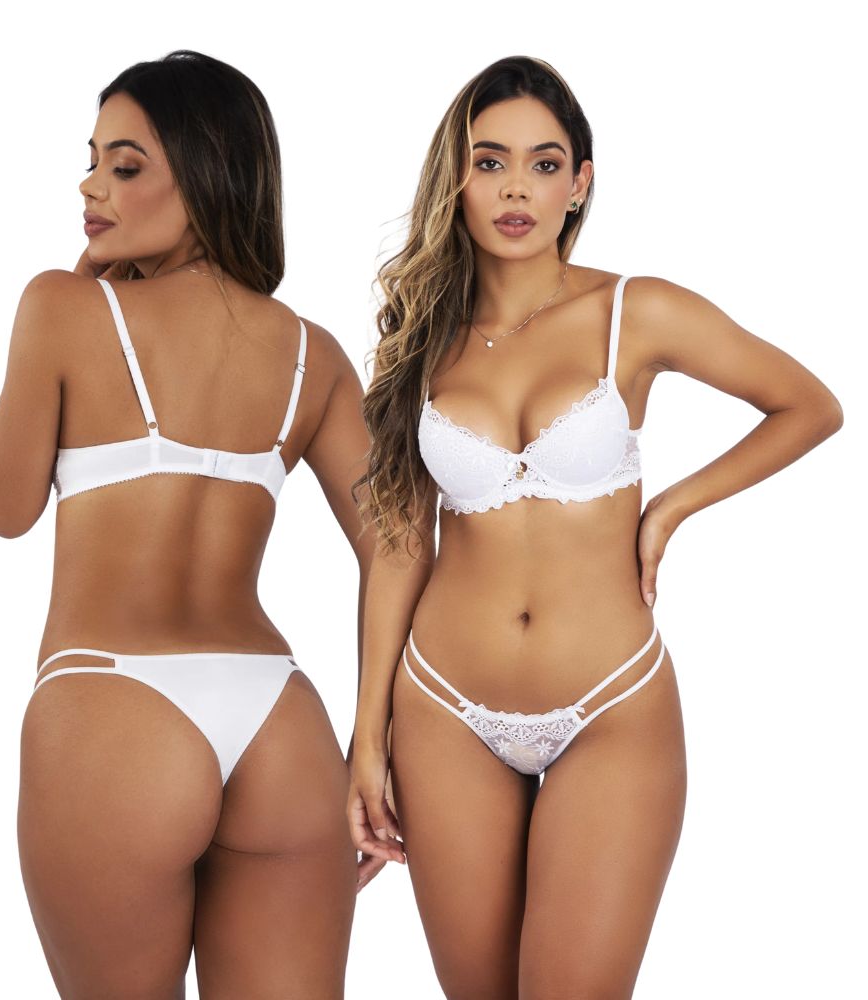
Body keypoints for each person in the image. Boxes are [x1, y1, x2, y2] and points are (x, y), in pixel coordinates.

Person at [347, 55, 843, 999]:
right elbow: (401, 543)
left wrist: (671, 508)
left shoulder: (633, 311)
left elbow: (809, 406)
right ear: (457, 178)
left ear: (579, 184)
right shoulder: (421, 339)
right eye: (490, 162)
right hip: (444, 709)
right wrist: (367, 736)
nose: (516, 190)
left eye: (544, 164)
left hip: (610, 705)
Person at [0, 50, 372, 999]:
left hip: (112, 708)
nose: (91, 187)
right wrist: (373, 747)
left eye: (125, 166)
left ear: (205, 177)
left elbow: (4, 507)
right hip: (280, 723)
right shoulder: (312, 353)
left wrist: (72, 296)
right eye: (91, 162)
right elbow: (402, 551)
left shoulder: (63, 308)